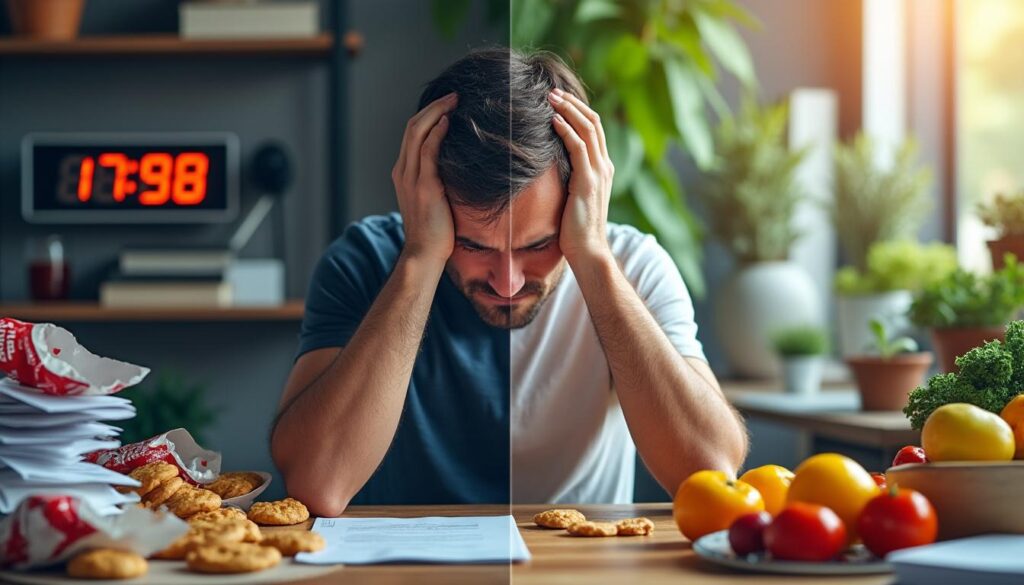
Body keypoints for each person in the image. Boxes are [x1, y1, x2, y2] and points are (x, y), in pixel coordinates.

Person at [270, 48, 747, 516]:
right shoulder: (365, 262)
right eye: (474, 246)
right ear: (423, 200)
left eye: (538, 245)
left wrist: (593, 257)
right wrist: (420, 259)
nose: (508, 282)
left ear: (585, 193)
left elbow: (709, 473)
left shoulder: (634, 267)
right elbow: (318, 486)